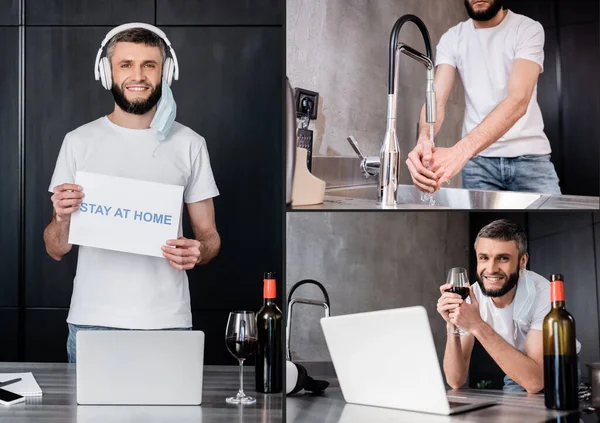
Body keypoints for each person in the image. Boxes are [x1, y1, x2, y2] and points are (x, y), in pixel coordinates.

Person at [43, 23, 220, 363]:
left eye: (149, 65)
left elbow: (210, 236)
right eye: (126, 64)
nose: (137, 76)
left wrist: (198, 251)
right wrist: (63, 218)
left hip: (168, 322)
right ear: (106, 72)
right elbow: (55, 248)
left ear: (165, 72)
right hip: (93, 322)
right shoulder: (78, 142)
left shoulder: (190, 144)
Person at [407, 0, 561, 195]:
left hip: (530, 158)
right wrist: (424, 139)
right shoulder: (452, 38)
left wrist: (460, 152)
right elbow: (436, 100)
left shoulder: (527, 29)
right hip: (478, 165)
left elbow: (518, 100)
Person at [436, 219, 580, 393]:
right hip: (516, 369)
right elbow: (455, 380)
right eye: (484, 258)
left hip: (558, 369)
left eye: (503, 258)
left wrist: (477, 325)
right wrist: (452, 324)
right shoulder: (471, 295)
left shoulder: (543, 292)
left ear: (522, 260)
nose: (491, 269)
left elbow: (535, 382)